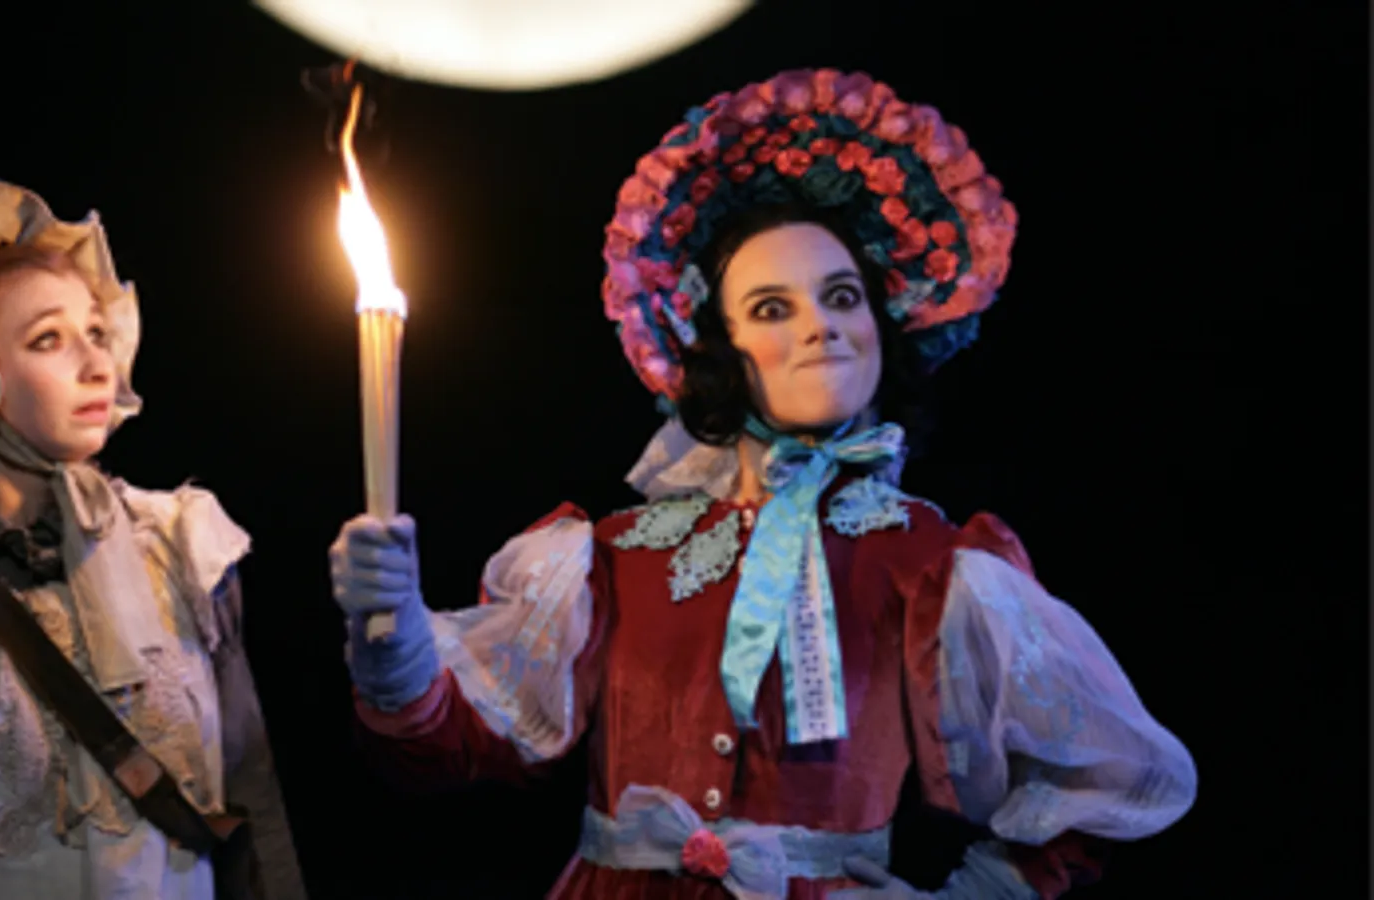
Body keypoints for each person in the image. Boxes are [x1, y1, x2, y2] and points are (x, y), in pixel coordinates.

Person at [328, 68, 1197, 898]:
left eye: (842, 297)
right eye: (772, 308)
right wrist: (389, 630)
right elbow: (445, 751)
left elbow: (1107, 786)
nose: (821, 327)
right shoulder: (612, 556)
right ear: (716, 351)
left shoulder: (931, 565)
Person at [0, 175, 308, 899]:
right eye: (48, 339)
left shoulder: (182, 549)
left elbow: (252, 802)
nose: (97, 364)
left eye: (97, 333)